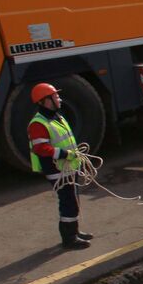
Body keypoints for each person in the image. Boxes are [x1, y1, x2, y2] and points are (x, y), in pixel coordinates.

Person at [27, 82, 92, 249]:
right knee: (68, 201)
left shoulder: (57, 117)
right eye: (55, 96)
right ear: (44, 101)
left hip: (69, 166)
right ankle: (69, 239)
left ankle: (74, 232)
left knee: (74, 199)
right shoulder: (38, 124)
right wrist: (65, 154)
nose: (59, 99)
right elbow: (40, 148)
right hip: (57, 170)